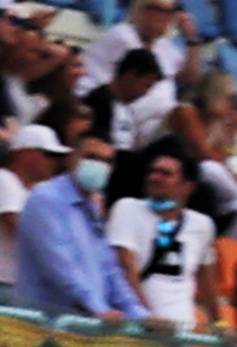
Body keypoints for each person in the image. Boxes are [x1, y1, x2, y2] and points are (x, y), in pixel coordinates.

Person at [5, 121, 146, 318]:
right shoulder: (46, 199)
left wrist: (138, 313)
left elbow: (109, 268)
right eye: (91, 157)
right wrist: (99, 309)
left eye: (107, 161)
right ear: (72, 158)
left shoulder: (93, 207)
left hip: (80, 328)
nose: (99, 166)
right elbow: (60, 266)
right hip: (42, 327)